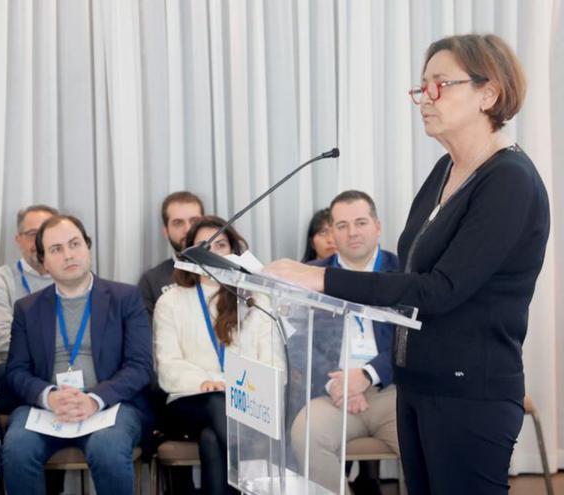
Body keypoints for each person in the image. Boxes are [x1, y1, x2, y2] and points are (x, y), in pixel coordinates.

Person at [265, 34, 550, 494]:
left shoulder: (509, 182)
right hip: (417, 383)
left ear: (488, 93)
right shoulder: (446, 170)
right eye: (422, 87)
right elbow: (410, 277)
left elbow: (435, 291)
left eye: (440, 85)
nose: (425, 99)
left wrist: (320, 276)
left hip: (468, 392)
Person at [1, 214, 153, 494]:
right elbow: (16, 371)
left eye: (74, 244)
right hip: (48, 408)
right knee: (17, 450)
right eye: (56, 249)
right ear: (44, 262)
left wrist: (95, 399)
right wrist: (50, 396)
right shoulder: (27, 308)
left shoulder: (125, 298)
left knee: (107, 449)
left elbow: (140, 366)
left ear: (88, 247)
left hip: (111, 406)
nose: (68, 255)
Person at [154, 216, 285, 495]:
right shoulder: (170, 301)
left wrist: (239, 387)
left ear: (234, 252)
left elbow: (274, 362)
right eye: (204, 247)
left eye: (221, 245)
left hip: (247, 401)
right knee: (217, 402)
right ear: (190, 253)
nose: (212, 253)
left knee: (213, 440)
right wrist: (206, 383)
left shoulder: (256, 300)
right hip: (190, 399)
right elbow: (167, 364)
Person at [288, 191, 398, 495]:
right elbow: (298, 343)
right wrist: (340, 386)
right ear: (332, 233)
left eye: (361, 222)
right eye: (342, 225)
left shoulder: (403, 272)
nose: (352, 232)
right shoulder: (311, 277)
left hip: (393, 391)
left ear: (377, 226)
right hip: (333, 392)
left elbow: (413, 340)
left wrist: (367, 376)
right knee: (306, 435)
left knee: (434, 439)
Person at [0, 204, 58, 413]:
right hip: (19, 373)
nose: (40, 242)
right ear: (18, 239)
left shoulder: (75, 278)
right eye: (33, 234)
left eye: (47, 233)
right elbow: (0, 342)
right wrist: (56, 358)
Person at [138, 191, 205, 321]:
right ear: (166, 232)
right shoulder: (151, 281)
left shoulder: (228, 273)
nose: (188, 229)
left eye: (194, 221)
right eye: (178, 223)